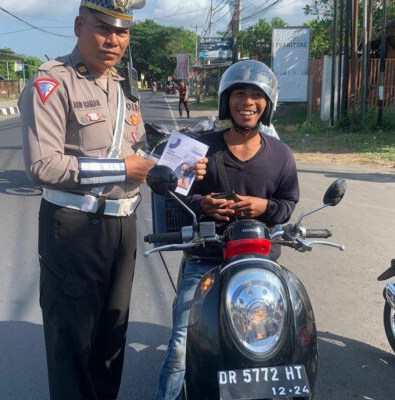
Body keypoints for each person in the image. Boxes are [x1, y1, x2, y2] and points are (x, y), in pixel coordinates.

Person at [19, 1, 206, 399]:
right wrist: (124, 170)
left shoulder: (122, 87)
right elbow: (43, 164)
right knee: (73, 339)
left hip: (123, 225)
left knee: (112, 334)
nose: (113, 40)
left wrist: (181, 166)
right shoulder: (53, 83)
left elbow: (138, 148)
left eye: (122, 32)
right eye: (103, 29)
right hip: (73, 227)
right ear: (78, 27)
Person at [154, 60, 300, 400]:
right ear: (226, 101)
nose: (247, 102)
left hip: (259, 262)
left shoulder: (281, 155)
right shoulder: (199, 146)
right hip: (206, 257)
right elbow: (171, 193)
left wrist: (265, 207)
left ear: (268, 104)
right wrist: (203, 204)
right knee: (180, 345)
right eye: (239, 94)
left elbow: (288, 202)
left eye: (255, 95)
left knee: (272, 341)